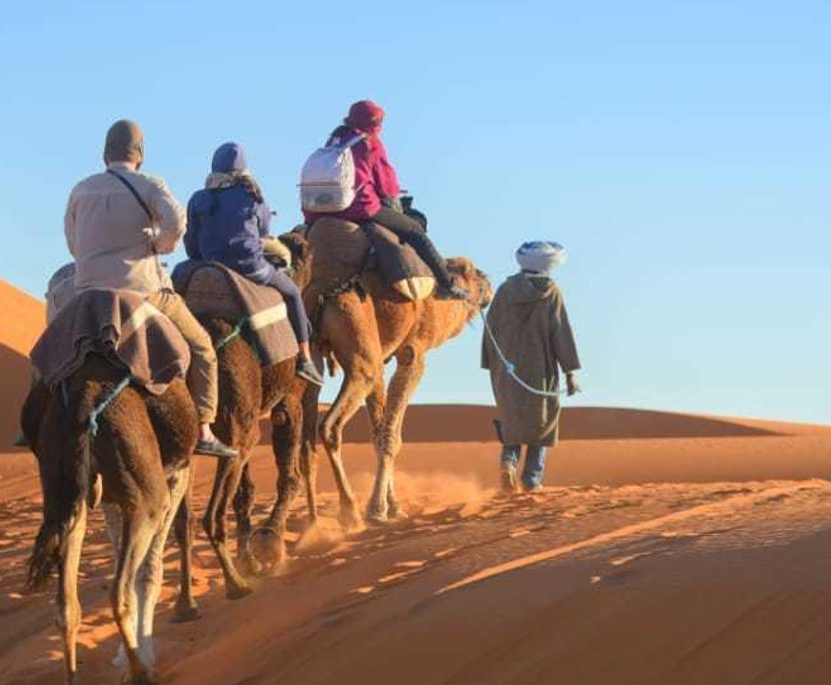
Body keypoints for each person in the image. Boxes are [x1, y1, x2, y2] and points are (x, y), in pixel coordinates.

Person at [63, 119, 238, 459]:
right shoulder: (150, 185)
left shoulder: (81, 190)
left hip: (88, 295)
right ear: (140, 153)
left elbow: (73, 243)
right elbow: (177, 223)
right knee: (203, 348)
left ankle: (36, 416)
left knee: (52, 346)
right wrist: (159, 244)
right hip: (142, 293)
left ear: (105, 152)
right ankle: (204, 428)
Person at [184, 142, 324, 387]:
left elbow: (191, 244)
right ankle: (304, 359)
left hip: (209, 265)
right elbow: (264, 231)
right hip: (250, 267)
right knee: (292, 292)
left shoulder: (198, 199)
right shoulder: (251, 195)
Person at [305, 99, 468, 299]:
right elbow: (387, 186)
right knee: (414, 231)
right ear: (372, 123)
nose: (381, 126)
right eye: (379, 122)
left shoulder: (335, 141)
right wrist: (396, 206)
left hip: (319, 210)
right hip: (360, 208)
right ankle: (447, 284)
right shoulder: (370, 143)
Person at [481, 241, 582, 492]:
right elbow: (561, 332)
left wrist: (491, 362)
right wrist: (570, 373)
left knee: (512, 419)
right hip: (540, 367)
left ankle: (509, 462)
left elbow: (490, 327)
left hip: (507, 368)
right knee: (542, 421)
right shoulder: (551, 291)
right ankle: (531, 480)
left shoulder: (505, 290)